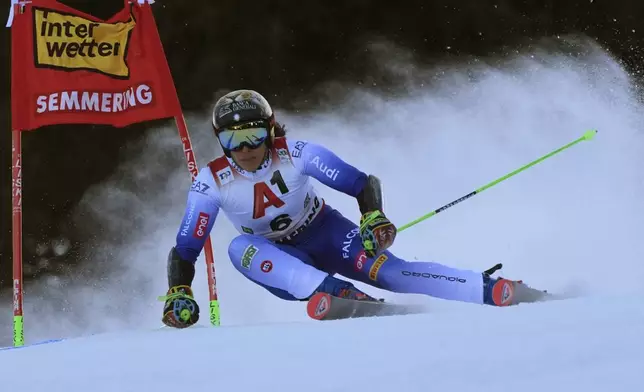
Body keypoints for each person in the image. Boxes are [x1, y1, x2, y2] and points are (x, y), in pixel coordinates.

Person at [161, 89, 546, 328]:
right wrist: (180, 290)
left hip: (327, 232)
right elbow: (186, 248)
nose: (244, 149)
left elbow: (360, 182)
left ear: (270, 128)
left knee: (392, 274)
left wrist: (372, 216)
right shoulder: (210, 182)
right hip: (281, 259)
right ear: (220, 140)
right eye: (232, 139)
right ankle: (335, 292)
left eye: (253, 135)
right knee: (237, 249)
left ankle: (490, 288)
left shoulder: (297, 153)